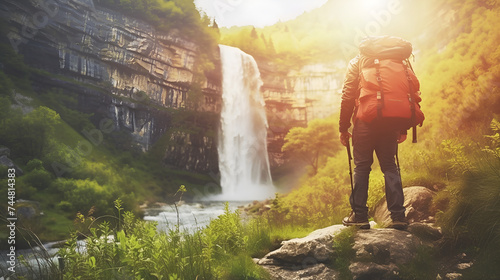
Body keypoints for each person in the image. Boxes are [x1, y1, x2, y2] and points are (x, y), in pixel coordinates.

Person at [338, 54, 409, 230]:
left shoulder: (357, 62)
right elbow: (406, 94)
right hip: (391, 121)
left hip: (365, 120)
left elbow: (347, 95)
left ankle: (359, 216)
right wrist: (402, 128)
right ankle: (398, 216)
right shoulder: (396, 62)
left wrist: (343, 127)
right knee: (390, 166)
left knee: (361, 167)